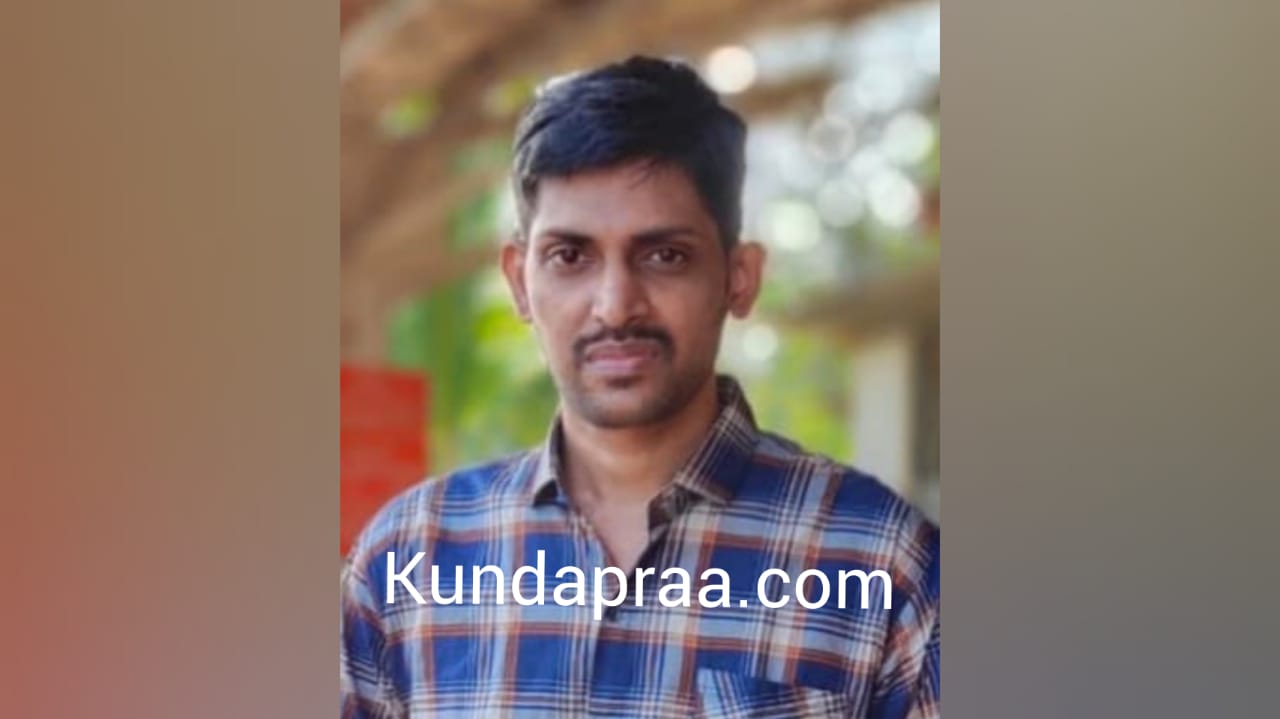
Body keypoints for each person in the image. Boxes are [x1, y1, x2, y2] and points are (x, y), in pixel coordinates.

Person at [341, 56, 939, 718]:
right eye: (570, 256)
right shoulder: (408, 561)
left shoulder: (880, 561)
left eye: (664, 255)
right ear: (519, 281)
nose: (615, 305)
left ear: (738, 277)